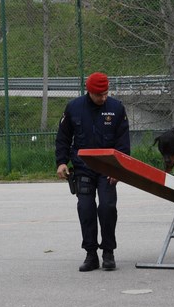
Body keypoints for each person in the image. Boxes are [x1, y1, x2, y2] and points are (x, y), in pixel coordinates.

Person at [55, 72, 131, 271]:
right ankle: (91, 254)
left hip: (108, 169)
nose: (103, 98)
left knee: (107, 208)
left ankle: (108, 252)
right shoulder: (74, 108)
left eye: (106, 94)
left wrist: (119, 169)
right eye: (99, 95)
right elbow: (63, 138)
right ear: (89, 91)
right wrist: (61, 162)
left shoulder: (116, 108)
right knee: (85, 208)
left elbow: (123, 143)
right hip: (83, 168)